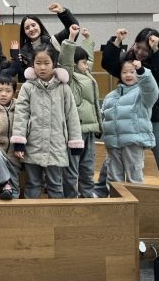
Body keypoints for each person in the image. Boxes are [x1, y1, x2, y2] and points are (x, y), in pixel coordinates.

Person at [101, 27, 159, 187]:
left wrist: (157, 50)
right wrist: (117, 41)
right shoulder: (128, 61)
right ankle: (102, 191)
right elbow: (108, 64)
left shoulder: (158, 60)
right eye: (137, 46)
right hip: (131, 119)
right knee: (111, 164)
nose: (139, 52)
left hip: (156, 117)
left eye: (145, 50)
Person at [10, 45, 83, 198]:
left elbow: (72, 116)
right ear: (32, 64)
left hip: (56, 145)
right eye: (38, 63)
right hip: (33, 144)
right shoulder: (27, 87)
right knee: (32, 183)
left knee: (55, 184)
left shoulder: (63, 88)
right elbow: (21, 116)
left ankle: (57, 213)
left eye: (46, 63)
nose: (42, 67)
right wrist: (19, 143)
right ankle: (31, 213)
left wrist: (75, 141)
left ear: (54, 64)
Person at [59, 25, 103, 198]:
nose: (87, 65)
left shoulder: (86, 74)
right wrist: (71, 38)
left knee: (87, 167)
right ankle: (71, 198)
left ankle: (87, 195)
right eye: (83, 62)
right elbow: (66, 61)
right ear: (75, 64)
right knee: (72, 170)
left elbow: (88, 59)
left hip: (90, 130)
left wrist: (87, 40)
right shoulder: (69, 77)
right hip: (75, 132)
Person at [101, 60, 158, 184]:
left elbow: (151, 89)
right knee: (114, 180)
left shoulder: (142, 94)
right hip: (113, 144)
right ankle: (115, 198)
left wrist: (142, 71)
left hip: (133, 143)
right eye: (124, 72)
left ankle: (135, 198)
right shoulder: (110, 96)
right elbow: (103, 116)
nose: (128, 75)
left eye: (132, 72)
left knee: (134, 178)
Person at [18, 2, 79, 74]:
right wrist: (19, 62)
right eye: (27, 28)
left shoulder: (52, 41)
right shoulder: (23, 52)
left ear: (39, 25)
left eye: (33, 25)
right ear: (24, 32)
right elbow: (23, 76)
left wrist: (62, 12)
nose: (31, 29)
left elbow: (73, 27)